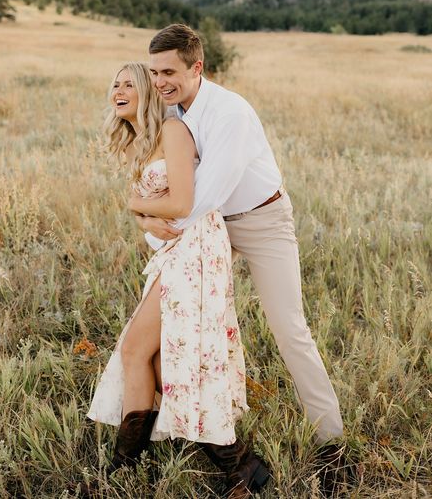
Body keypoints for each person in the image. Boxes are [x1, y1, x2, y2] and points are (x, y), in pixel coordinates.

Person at [129, 24, 349, 495]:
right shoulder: (169, 111)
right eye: (154, 72)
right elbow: (161, 181)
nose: (161, 81)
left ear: (197, 67)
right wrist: (147, 219)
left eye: (169, 71)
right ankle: (191, 430)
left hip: (260, 219)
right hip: (207, 228)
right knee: (177, 324)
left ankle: (331, 444)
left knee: (289, 330)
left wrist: (148, 224)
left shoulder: (231, 113)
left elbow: (198, 198)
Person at [87, 62, 270, 499]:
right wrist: (143, 216)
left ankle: (125, 466)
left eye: (130, 82)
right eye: (115, 83)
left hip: (197, 249)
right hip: (175, 250)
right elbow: (156, 212)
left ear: (149, 90)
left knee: (145, 350)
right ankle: (238, 467)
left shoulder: (173, 131)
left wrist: (136, 205)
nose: (119, 89)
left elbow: (185, 201)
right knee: (156, 359)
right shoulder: (140, 143)